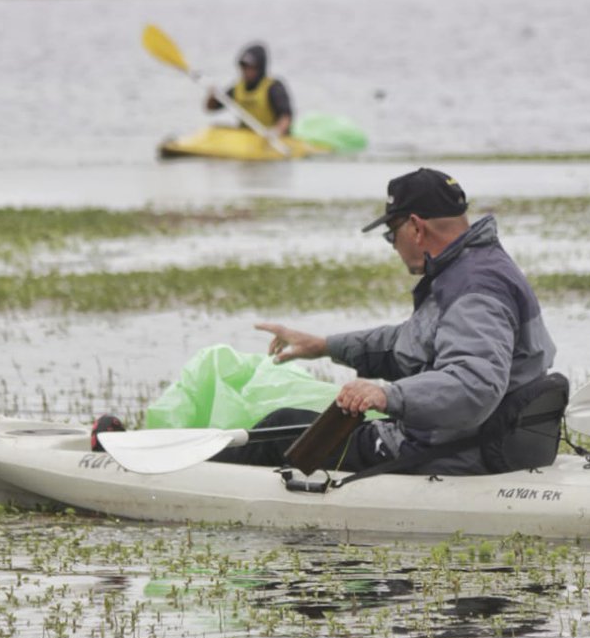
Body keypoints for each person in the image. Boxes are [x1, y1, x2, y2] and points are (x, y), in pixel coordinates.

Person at [212, 167, 558, 476]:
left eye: (392, 234)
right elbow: (409, 343)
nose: (393, 245)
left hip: (457, 451)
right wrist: (324, 346)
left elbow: (475, 384)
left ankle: (196, 483)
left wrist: (386, 394)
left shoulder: (473, 287)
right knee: (292, 425)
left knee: (283, 426)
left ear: (416, 227)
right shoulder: (478, 266)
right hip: (487, 441)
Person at [205, 43, 293, 137]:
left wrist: (276, 132)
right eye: (244, 67)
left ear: (260, 68)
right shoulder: (237, 88)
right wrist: (213, 95)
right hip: (246, 137)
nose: (246, 71)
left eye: (251, 68)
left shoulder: (274, 88)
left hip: (269, 138)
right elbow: (211, 108)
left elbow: (286, 116)